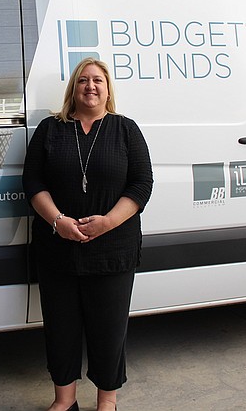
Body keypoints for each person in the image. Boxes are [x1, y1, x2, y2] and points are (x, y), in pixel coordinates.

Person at [22, 57, 153, 411]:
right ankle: (64, 401)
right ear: (73, 89)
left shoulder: (126, 129)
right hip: (57, 248)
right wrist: (58, 221)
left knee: (108, 332)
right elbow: (32, 182)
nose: (90, 86)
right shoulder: (51, 129)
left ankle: (107, 401)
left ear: (108, 88)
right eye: (83, 81)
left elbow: (142, 185)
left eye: (97, 80)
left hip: (113, 250)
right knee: (61, 328)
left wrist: (108, 222)